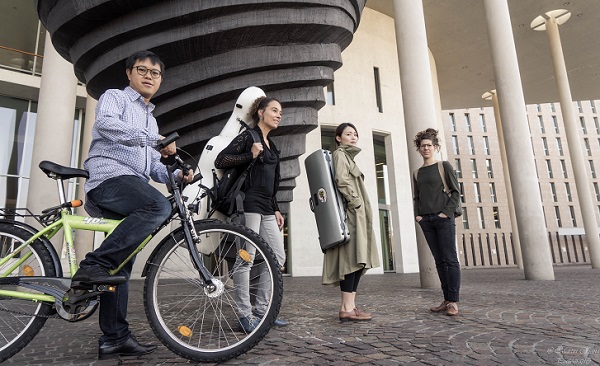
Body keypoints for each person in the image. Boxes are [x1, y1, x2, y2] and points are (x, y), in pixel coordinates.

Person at [71, 50, 193, 359]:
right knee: (158, 207)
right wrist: (154, 140)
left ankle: (114, 338)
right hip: (109, 178)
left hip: (131, 184)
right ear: (129, 73)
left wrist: (178, 174)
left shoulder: (152, 122)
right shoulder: (116, 98)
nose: (149, 76)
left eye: (155, 73)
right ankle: (92, 266)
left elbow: (153, 169)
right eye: (143, 70)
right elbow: (108, 125)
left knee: (120, 266)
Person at [214, 96, 288, 332]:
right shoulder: (249, 137)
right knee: (245, 258)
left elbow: (272, 181)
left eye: (280, 112)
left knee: (277, 257)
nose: (279, 115)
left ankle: (262, 311)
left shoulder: (272, 145)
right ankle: (245, 315)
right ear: (260, 112)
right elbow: (221, 159)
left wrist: (276, 207)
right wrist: (250, 155)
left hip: (266, 207)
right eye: (274, 110)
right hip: (248, 205)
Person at [322, 122, 380, 321]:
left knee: (358, 259)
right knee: (351, 260)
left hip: (358, 213)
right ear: (338, 138)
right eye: (348, 134)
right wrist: (355, 202)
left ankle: (351, 306)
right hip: (352, 214)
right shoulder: (340, 154)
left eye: (355, 134)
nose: (353, 137)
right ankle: (346, 308)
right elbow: (341, 180)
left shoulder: (348, 157)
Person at [412, 128, 461, 316]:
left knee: (450, 259)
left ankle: (454, 301)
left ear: (435, 147)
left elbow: (456, 192)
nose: (426, 148)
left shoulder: (443, 166)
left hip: (443, 218)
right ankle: (446, 299)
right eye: (423, 146)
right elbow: (416, 197)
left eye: (429, 145)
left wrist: (445, 213)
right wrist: (418, 216)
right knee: (440, 261)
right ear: (419, 148)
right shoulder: (417, 173)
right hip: (426, 220)